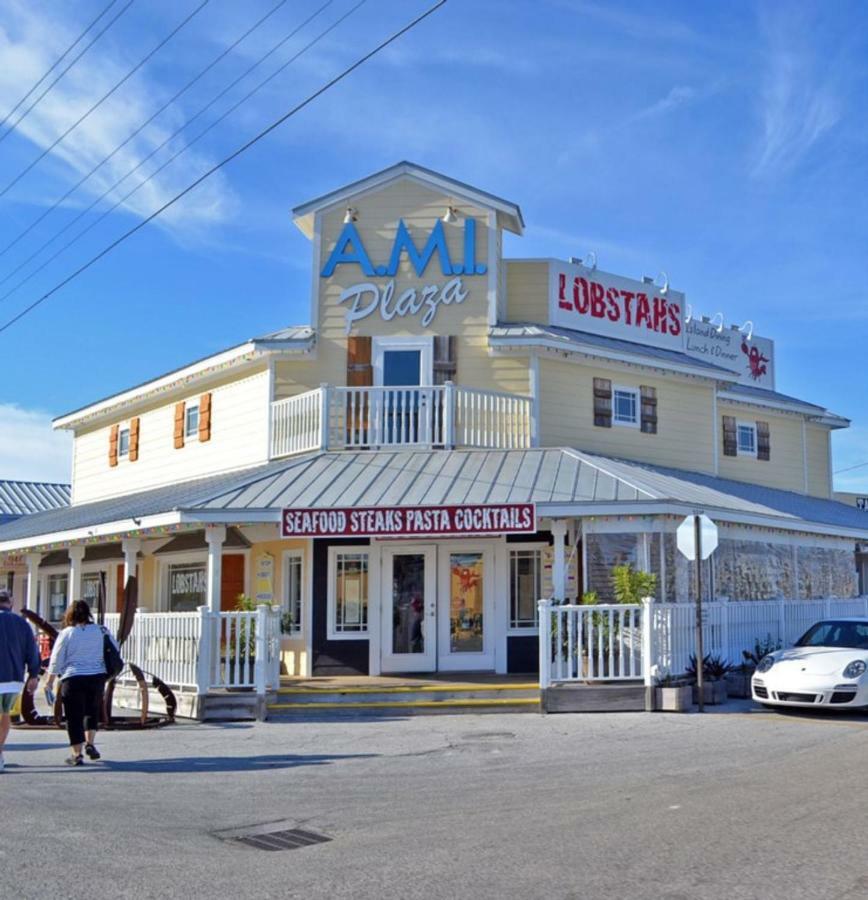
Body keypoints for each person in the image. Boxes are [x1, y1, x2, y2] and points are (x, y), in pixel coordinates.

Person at [46, 600, 119, 767]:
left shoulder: (67, 633)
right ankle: (90, 743)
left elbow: (56, 658)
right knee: (92, 712)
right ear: (88, 614)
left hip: (73, 678)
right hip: (96, 677)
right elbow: (115, 649)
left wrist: (49, 682)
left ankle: (76, 754)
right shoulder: (101, 630)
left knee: (73, 717)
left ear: (70, 615)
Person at [0, 588, 41, 773]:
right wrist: (34, 675)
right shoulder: (21, 624)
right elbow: (32, 651)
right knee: (4, 714)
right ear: (11, 602)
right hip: (12, 679)